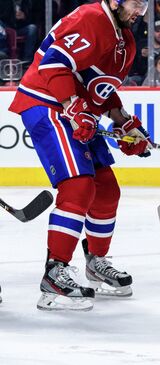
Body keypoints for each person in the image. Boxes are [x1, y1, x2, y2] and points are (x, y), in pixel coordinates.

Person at [7, 0, 151, 311]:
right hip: (45, 102)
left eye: (145, 5)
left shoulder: (124, 41)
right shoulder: (92, 18)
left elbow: (99, 88)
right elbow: (54, 62)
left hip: (71, 107)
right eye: (136, 3)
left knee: (107, 189)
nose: (141, 11)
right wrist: (74, 107)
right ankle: (55, 273)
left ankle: (95, 262)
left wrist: (124, 122)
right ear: (115, 1)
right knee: (78, 186)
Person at [129, 19, 160, 86]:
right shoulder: (141, 45)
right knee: (132, 80)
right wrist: (141, 57)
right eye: (157, 31)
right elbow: (134, 67)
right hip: (142, 76)